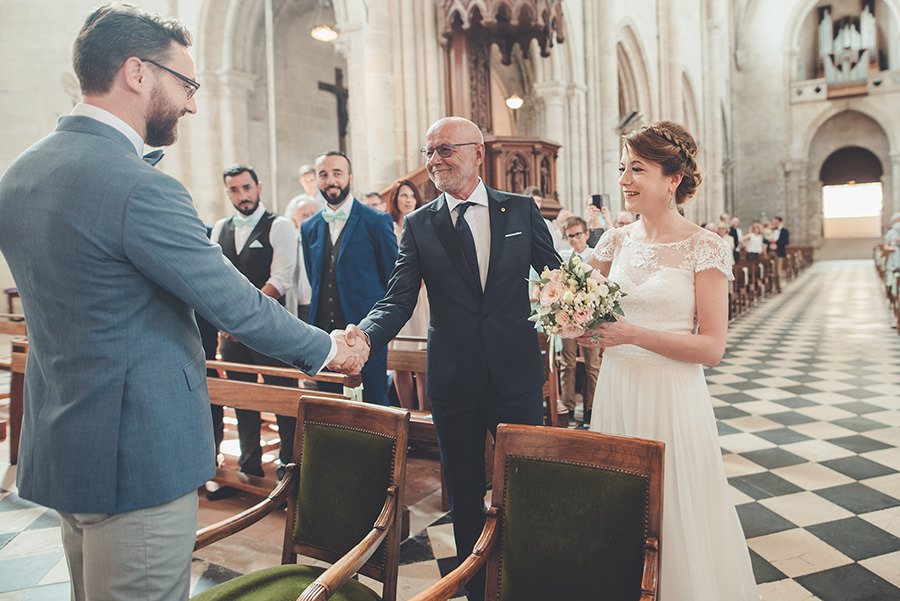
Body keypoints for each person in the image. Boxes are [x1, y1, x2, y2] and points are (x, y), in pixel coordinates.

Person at [0, 5, 365, 601]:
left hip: (65, 446)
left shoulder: (18, 175)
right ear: (137, 73)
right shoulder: (140, 187)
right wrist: (330, 351)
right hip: (139, 456)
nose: (193, 103)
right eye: (187, 83)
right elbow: (235, 305)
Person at [352, 117, 560, 601]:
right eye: (429, 152)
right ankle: (476, 587)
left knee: (528, 485)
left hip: (515, 374)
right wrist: (364, 337)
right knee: (465, 494)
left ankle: (528, 581)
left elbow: (555, 277)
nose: (434, 160)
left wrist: (585, 317)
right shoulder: (420, 224)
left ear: (478, 153)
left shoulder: (521, 210)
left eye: (444, 149)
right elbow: (398, 299)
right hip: (454, 381)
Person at [578, 121, 758, 601]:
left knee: (676, 512)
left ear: (672, 178)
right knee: (619, 506)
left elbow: (712, 348)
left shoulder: (705, 245)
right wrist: (567, 321)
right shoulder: (613, 242)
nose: (623, 180)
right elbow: (582, 311)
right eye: (622, 168)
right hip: (617, 390)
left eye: (637, 169)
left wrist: (631, 333)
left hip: (672, 398)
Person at [210, 164, 300, 490]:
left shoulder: (280, 226)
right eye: (234, 190)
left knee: (282, 398)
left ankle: (287, 470)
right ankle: (248, 467)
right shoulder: (219, 227)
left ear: (258, 187)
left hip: (268, 330)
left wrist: (243, 321)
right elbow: (214, 280)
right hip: (230, 335)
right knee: (241, 397)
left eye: (247, 188)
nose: (242, 195)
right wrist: (226, 320)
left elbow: (280, 280)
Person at [302, 151, 398, 405]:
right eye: (323, 174)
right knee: (329, 410)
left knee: (374, 406)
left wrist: (376, 331)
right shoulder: (308, 227)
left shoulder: (376, 221)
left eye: (337, 173)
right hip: (323, 337)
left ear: (350, 177)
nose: (330, 180)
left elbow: (393, 279)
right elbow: (315, 278)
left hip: (366, 335)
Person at [386, 179, 430, 410]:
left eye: (412, 195)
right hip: (399, 295)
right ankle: (405, 414)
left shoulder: (422, 226)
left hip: (421, 297)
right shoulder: (388, 228)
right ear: (395, 199)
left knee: (422, 362)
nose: (409, 200)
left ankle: (424, 416)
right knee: (400, 362)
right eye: (403, 195)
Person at [557, 216, 601, 424]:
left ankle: (591, 409)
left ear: (586, 234)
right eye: (569, 236)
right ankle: (569, 408)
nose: (573, 239)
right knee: (568, 363)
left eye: (577, 234)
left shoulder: (596, 255)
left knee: (592, 365)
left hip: (591, 317)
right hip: (567, 317)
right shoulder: (564, 257)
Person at [290, 197, 318, 322]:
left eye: (313, 214)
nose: (310, 218)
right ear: (295, 220)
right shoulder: (290, 243)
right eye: (305, 215)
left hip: (319, 306)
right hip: (297, 307)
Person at [770, 215, 790, 288]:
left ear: (780, 222)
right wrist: (769, 240)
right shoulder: (771, 230)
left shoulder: (785, 231)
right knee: (770, 271)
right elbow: (765, 239)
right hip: (770, 252)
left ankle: (778, 287)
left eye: (776, 222)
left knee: (778, 272)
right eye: (774, 222)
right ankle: (771, 287)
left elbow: (786, 242)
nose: (775, 224)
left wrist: (776, 242)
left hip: (779, 252)